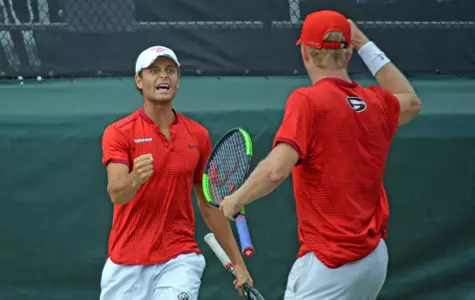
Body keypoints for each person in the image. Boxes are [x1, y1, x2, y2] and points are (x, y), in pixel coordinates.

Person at [219, 10, 421, 300]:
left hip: (331, 262)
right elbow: (412, 102)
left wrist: (236, 200)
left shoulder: (307, 101)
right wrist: (364, 43)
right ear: (349, 54)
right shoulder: (377, 102)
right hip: (374, 258)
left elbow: (276, 170)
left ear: (306, 54)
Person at [99, 45, 252, 300]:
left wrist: (238, 263)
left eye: (171, 70)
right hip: (127, 260)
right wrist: (135, 178)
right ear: (139, 80)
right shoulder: (118, 133)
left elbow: (209, 204)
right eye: (154, 70)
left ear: (178, 81)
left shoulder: (197, 135)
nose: (164, 76)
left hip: (179, 256)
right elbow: (117, 194)